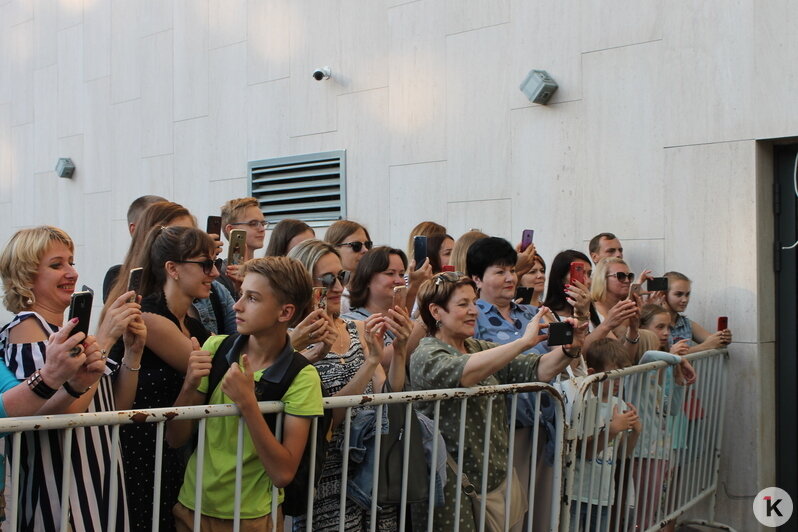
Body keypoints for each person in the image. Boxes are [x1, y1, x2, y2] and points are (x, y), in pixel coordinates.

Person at [410, 271, 585, 531]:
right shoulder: (426, 353)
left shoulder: (475, 347)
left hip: (495, 481)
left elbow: (540, 370)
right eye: (463, 304)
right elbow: (465, 372)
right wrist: (523, 342)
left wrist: (570, 349)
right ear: (436, 311)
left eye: (473, 302)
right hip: (451, 486)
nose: (474, 311)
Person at [0, 225, 146, 531]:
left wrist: (133, 353)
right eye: (57, 265)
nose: (71, 273)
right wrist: (105, 339)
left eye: (71, 262)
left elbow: (114, 405)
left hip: (100, 478)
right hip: (63, 491)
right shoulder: (26, 328)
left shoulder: (65, 334)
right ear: (26, 277)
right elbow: (57, 414)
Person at [167, 257, 324, 531]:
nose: (236, 306)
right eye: (241, 295)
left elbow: (283, 472)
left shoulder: (302, 375)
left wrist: (248, 404)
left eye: (252, 298)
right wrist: (190, 384)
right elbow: (175, 438)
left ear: (285, 312)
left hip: (252, 517)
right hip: (191, 507)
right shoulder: (216, 347)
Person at [288, 239, 409, 532]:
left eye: (342, 277)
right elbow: (324, 417)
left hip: (369, 471)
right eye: (327, 280)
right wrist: (370, 365)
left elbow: (387, 397)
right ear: (304, 282)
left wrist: (402, 349)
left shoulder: (357, 328)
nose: (338, 288)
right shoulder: (289, 341)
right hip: (323, 476)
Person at [119, 225, 217, 532]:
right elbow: (221, 367)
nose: (214, 273)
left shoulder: (192, 321)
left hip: (170, 449)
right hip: (139, 451)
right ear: (172, 269)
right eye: (205, 264)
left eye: (215, 263)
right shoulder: (148, 316)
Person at [103, 200, 237, 335]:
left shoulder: (209, 291)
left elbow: (235, 342)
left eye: (191, 234)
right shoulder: (148, 309)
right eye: (176, 234)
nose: (215, 273)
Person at [569, 338, 641, 532]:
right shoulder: (584, 401)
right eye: (613, 376)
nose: (619, 382)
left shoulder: (620, 404)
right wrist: (612, 430)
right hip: (577, 493)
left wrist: (635, 433)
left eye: (622, 375)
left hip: (604, 494)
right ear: (592, 373)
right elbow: (585, 452)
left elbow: (622, 454)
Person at [103, 194, 167, 299]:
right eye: (156, 226)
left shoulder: (185, 272)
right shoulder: (118, 277)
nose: (166, 233)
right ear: (134, 230)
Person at [662, 271, 733, 352]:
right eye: (678, 294)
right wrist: (705, 346)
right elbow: (664, 356)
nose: (685, 300)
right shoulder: (653, 323)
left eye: (687, 294)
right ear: (663, 294)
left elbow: (714, 341)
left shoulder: (686, 323)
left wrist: (723, 338)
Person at [588, 258, 642, 359]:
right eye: (620, 276)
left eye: (630, 276)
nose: (627, 281)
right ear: (602, 279)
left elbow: (625, 360)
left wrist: (634, 329)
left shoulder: (626, 310)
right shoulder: (590, 310)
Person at [217, 197, 268, 299]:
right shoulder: (220, 275)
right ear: (231, 229)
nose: (262, 229)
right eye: (253, 223)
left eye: (263, 223)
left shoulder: (266, 270)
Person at [324, 220, 373, 315]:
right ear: (334, 248)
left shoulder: (374, 286)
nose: (365, 250)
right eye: (356, 246)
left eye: (368, 245)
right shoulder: (331, 293)